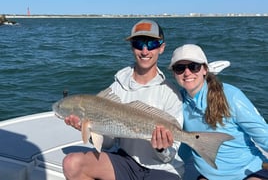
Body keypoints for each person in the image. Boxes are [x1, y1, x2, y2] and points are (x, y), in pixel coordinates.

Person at [63, 19, 184, 180]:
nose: (145, 51)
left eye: (152, 44)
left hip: (163, 168)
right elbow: (107, 144)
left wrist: (161, 148)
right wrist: (87, 129)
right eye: (138, 44)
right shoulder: (116, 88)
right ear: (132, 47)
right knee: (72, 163)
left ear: (161, 48)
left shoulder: (171, 94)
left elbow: (169, 156)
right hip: (126, 161)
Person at [169, 44, 268, 180]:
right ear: (174, 73)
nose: (187, 73)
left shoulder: (231, 96)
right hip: (208, 176)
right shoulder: (177, 102)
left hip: (250, 172)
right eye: (180, 68)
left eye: (194, 66)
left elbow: (263, 135)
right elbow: (185, 145)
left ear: (204, 69)